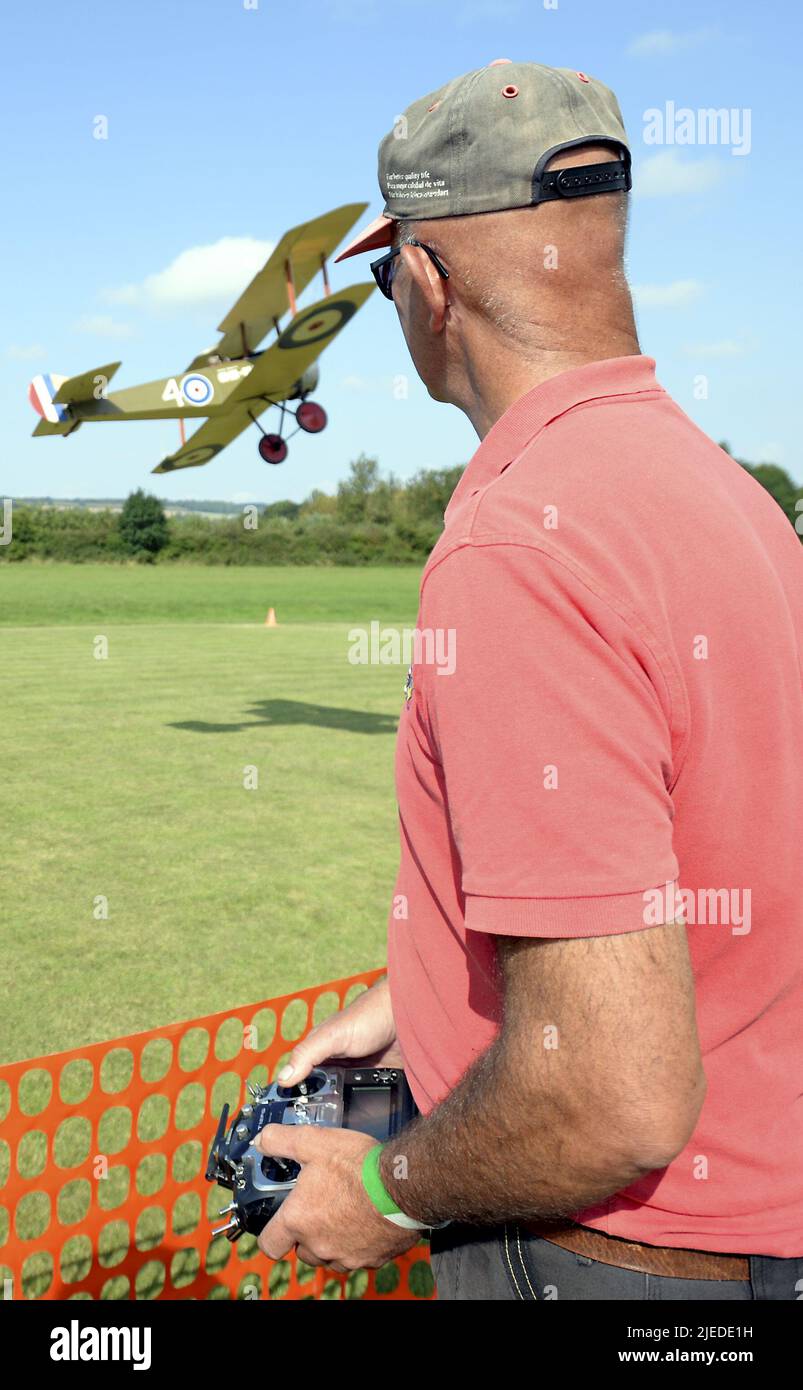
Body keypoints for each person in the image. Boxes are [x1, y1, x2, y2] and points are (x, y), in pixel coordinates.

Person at [252, 60, 803, 1299]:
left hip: (608, 1263)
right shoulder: (731, 500)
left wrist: (385, 1193)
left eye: (390, 272)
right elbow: (716, 856)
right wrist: (425, 991)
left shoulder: (518, 544)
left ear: (428, 284)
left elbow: (609, 1091)